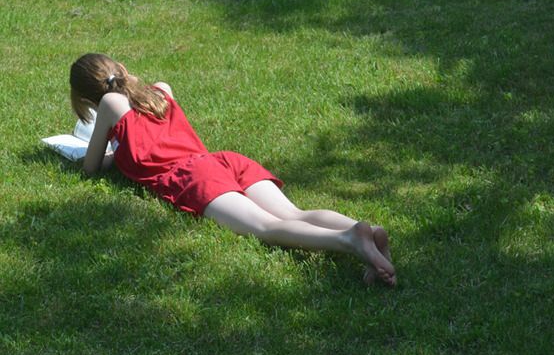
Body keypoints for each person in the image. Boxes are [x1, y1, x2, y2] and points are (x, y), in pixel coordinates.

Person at [69, 53, 396, 286]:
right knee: (294, 213)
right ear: (122, 68)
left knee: (266, 228)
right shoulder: (161, 90)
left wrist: (115, 153)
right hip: (223, 161)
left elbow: (90, 167)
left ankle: (349, 239)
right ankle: (363, 231)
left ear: (87, 98)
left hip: (192, 177)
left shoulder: (111, 105)